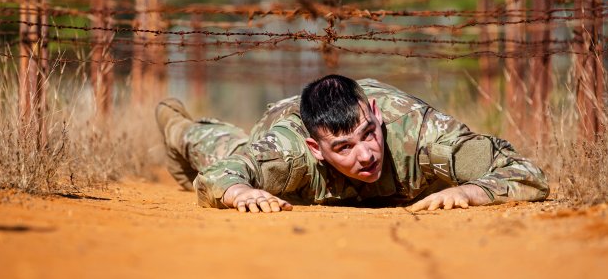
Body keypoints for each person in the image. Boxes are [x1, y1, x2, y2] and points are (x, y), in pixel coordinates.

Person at [156, 74, 549, 213]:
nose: (366, 154)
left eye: (368, 134)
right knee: (225, 147)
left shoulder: (424, 135)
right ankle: (177, 125)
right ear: (316, 149)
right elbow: (219, 175)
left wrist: (473, 190)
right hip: (285, 124)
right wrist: (239, 191)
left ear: (375, 113)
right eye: (343, 148)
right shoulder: (291, 153)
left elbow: (528, 173)